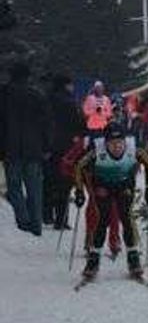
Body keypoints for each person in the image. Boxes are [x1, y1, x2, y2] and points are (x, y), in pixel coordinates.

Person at [73, 122, 148, 281]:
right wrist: (79, 191)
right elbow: (79, 166)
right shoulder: (97, 150)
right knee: (102, 219)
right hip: (102, 183)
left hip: (124, 183)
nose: (117, 147)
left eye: (120, 143)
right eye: (112, 143)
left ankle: (133, 258)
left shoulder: (132, 148)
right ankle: (93, 260)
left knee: (126, 216)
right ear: (105, 143)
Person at [1, 62, 51, 236]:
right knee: (35, 188)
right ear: (28, 77)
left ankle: (23, 220)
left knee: (14, 187)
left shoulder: (4, 95)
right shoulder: (37, 95)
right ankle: (36, 225)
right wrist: (46, 146)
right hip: (34, 149)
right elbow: (45, 125)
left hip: (11, 148)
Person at [45, 74, 84, 230]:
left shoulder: (46, 100)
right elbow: (80, 124)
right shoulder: (70, 103)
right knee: (64, 182)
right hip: (67, 148)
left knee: (48, 180)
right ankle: (61, 219)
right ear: (66, 85)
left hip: (48, 146)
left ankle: (47, 214)